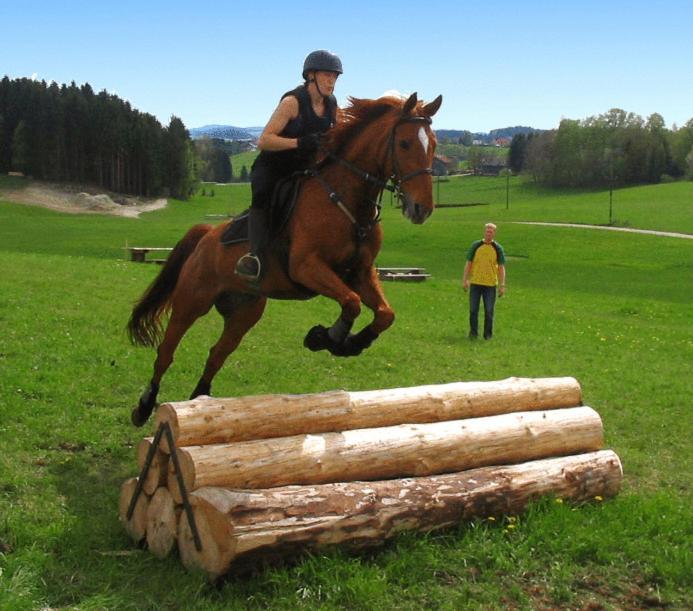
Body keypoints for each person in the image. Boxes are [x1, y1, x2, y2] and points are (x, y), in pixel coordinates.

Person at [235, 49, 343, 280]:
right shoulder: (292, 102)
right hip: (273, 167)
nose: (332, 81)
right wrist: (299, 143)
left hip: (303, 168)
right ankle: (253, 256)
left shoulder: (332, 105)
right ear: (310, 76)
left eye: (335, 76)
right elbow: (264, 140)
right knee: (263, 195)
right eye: (327, 75)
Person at [462, 223, 506, 340]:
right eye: (487, 231)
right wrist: (465, 280)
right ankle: (473, 333)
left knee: (489, 311)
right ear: (484, 232)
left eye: (491, 232)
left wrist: (502, 285)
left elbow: (501, 267)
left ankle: (487, 336)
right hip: (475, 283)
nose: (488, 233)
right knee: (473, 310)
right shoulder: (476, 246)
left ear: (494, 233)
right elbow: (468, 263)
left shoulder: (497, 248)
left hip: (490, 285)